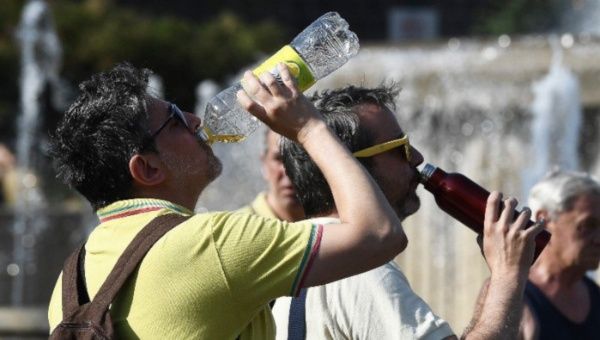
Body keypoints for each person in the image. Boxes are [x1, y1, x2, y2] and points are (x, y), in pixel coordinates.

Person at [47, 62, 409, 339]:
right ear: (147, 168)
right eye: (173, 121)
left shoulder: (70, 280)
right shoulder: (212, 242)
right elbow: (379, 234)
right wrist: (308, 128)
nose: (193, 119)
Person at [273, 84, 544, 339]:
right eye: (398, 148)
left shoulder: (301, 258)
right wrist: (508, 276)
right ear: (349, 166)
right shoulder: (358, 268)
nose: (416, 158)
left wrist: (497, 281)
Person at [517, 170, 600, 339]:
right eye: (587, 225)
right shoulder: (513, 298)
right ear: (544, 221)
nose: (598, 239)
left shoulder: (595, 296)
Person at [237, 129, 305, 222]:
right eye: (279, 159)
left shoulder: (328, 226)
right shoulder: (239, 228)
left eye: (302, 159)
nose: (289, 171)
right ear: (264, 163)